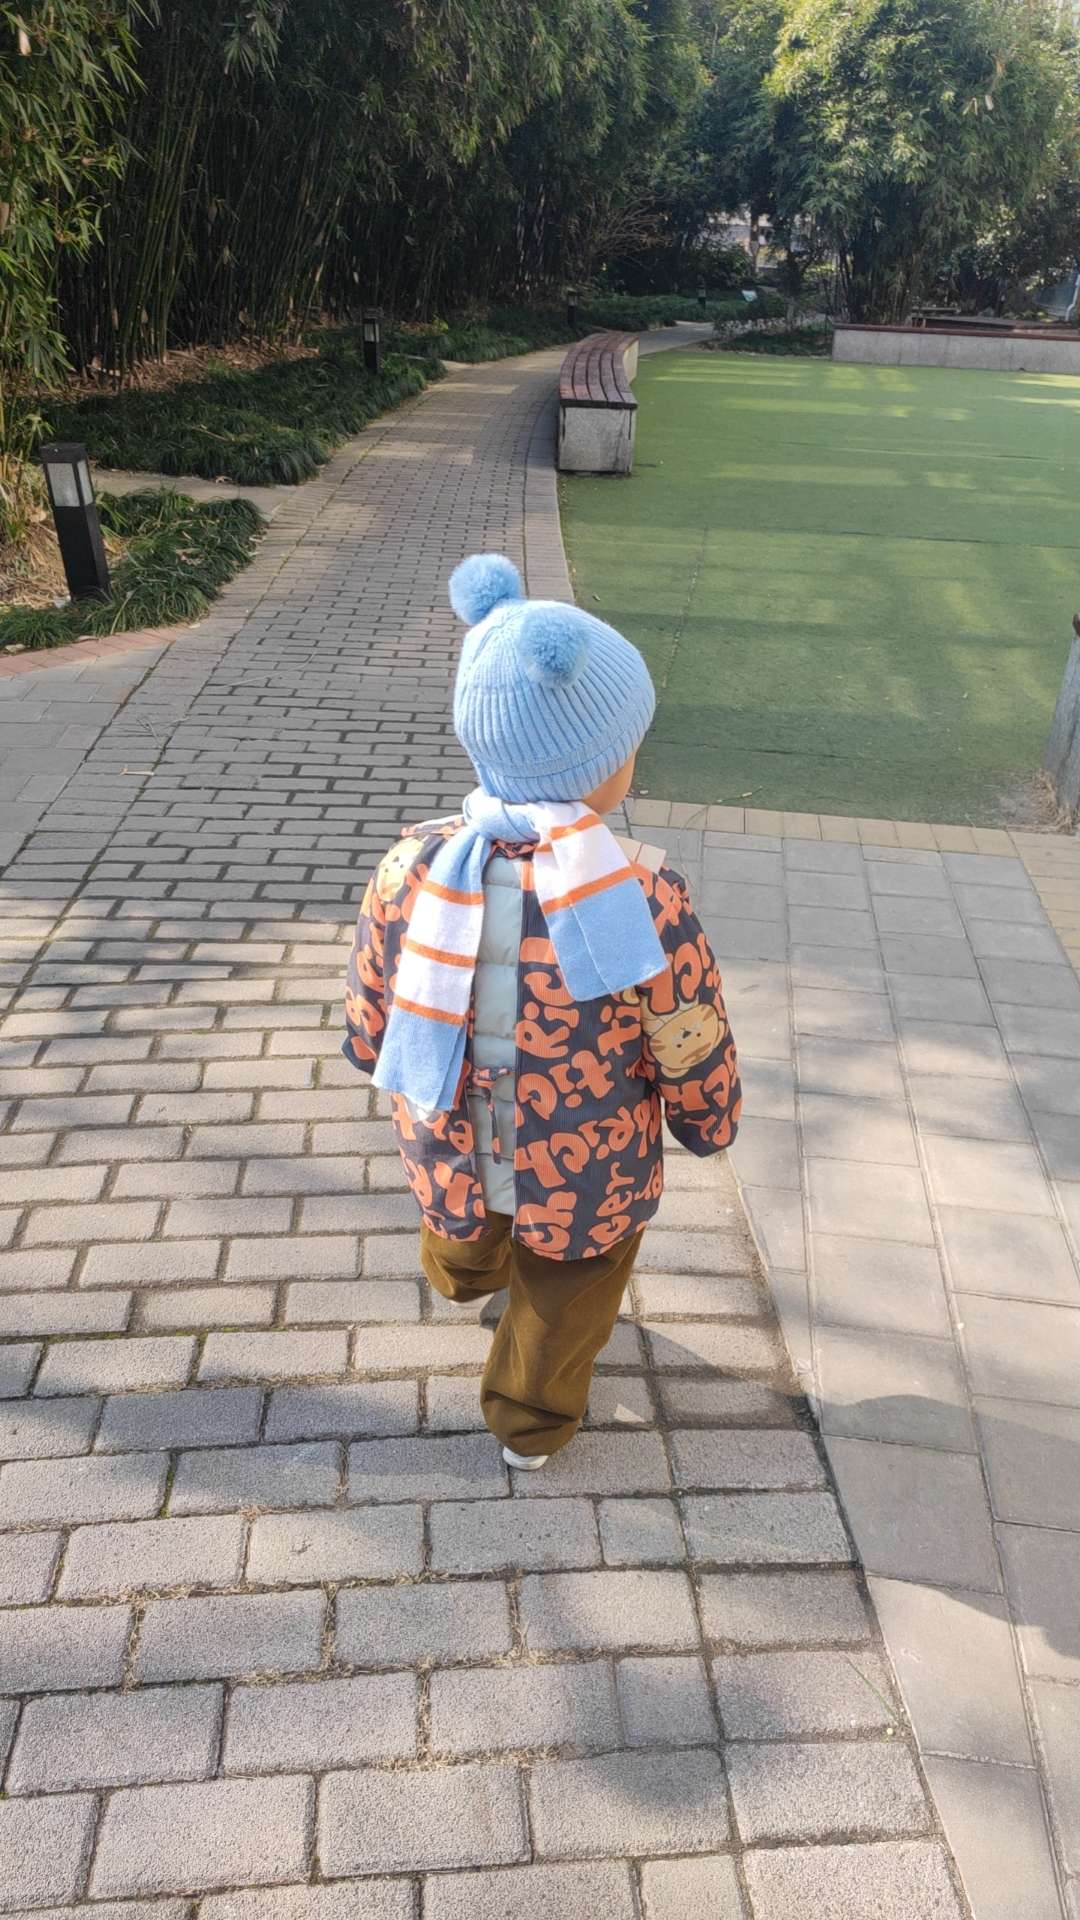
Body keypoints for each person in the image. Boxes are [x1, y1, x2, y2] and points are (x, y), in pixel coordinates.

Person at [344, 553, 740, 1470]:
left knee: (463, 1216)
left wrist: (370, 1047)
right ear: (597, 768)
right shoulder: (641, 893)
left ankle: (463, 1266)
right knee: (572, 1286)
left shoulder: (414, 863)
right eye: (626, 748)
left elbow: (374, 982)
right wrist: (707, 1116)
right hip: (586, 1154)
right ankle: (528, 1417)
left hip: (448, 1126)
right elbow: (686, 1027)